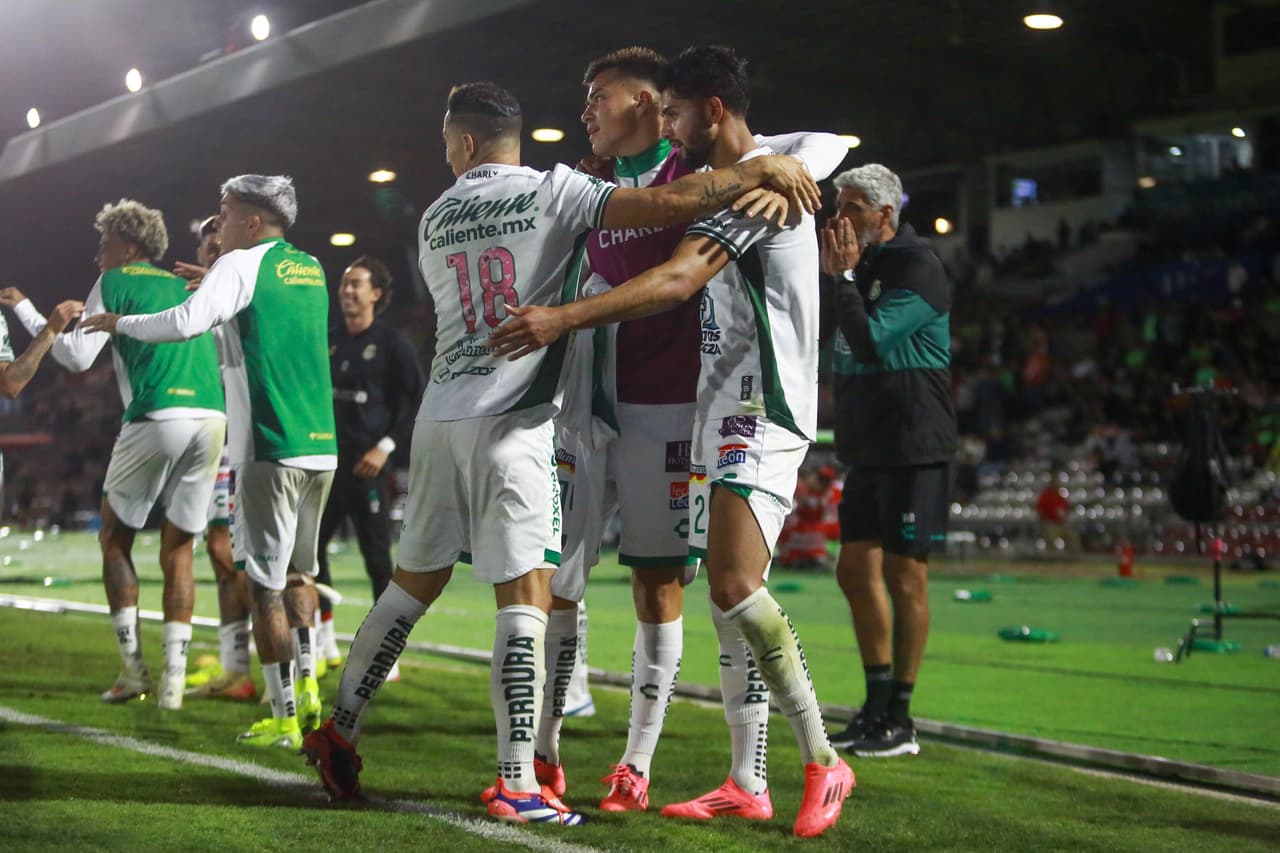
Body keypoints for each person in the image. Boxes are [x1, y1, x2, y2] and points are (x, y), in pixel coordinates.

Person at [298, 80, 819, 826]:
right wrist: (755, 171)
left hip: (440, 416)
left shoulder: (436, 215)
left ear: (468, 143)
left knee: (409, 588)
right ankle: (516, 777)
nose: (445, 153)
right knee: (526, 595)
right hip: (515, 421)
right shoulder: (557, 190)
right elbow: (670, 205)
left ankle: (340, 727)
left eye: (448, 141)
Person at [491, 46, 854, 839]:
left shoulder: (751, 196)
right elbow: (804, 150)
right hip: (707, 413)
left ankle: (821, 757)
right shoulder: (743, 178)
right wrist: (783, 164)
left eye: (680, 112)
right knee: (727, 595)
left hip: (757, 410)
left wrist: (558, 320)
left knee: (730, 586)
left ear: (700, 110)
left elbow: (678, 280)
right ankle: (748, 778)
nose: (672, 125)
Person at [82, 176, 336, 748]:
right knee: (302, 576)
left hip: (269, 446)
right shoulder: (311, 267)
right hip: (322, 445)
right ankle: (311, 688)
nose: (216, 226)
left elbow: (183, 325)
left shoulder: (238, 266)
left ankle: (284, 715)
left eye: (225, 213)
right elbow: (248, 342)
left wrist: (118, 322)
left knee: (263, 587)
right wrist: (217, 293)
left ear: (253, 220)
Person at [7, 200, 226, 712]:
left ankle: (133, 670)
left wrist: (30, 312)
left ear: (128, 246)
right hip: (213, 418)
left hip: (155, 415)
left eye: (103, 244)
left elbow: (77, 358)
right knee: (179, 549)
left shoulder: (114, 280)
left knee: (114, 538)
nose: (97, 257)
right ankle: (173, 683)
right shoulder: (185, 282)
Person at [821, 163, 957, 757]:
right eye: (837, 206)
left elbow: (873, 339)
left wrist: (844, 277)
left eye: (851, 208)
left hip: (913, 442)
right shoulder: (861, 266)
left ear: (884, 213)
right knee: (853, 571)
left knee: (906, 577)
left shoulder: (916, 265)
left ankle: (901, 717)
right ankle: (874, 706)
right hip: (869, 446)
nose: (839, 219)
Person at [313, 255, 425, 677]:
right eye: (344, 284)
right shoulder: (330, 340)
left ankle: (385, 649)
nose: (347, 291)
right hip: (328, 463)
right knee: (311, 550)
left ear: (375, 293)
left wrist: (386, 447)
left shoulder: (393, 343)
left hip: (369, 465)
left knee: (377, 557)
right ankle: (322, 638)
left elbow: (414, 401)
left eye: (355, 283)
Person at [180, 215, 256, 701]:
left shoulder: (246, 291)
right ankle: (236, 667)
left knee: (249, 559)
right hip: (207, 440)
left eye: (216, 244)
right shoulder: (196, 301)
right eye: (206, 246)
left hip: (242, 440)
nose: (211, 251)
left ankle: (288, 666)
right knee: (218, 553)